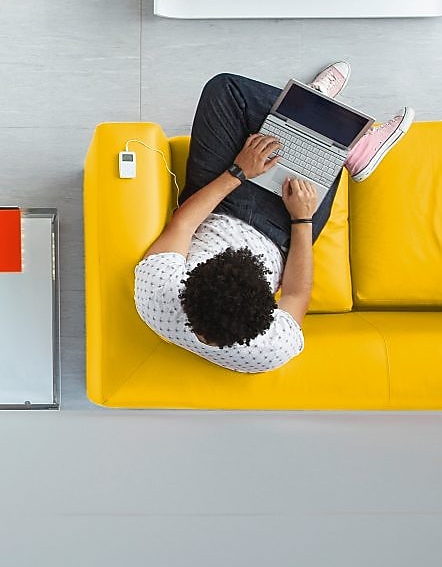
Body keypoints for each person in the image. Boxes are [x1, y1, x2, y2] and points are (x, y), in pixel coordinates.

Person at [133, 65, 414, 373]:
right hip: (282, 230)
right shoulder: (270, 349)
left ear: (187, 287)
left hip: (216, 207)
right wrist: (303, 219)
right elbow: (295, 293)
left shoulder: (157, 296)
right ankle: (346, 142)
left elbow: (184, 225)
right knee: (314, 158)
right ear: (266, 314)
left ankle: (310, 109)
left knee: (226, 90)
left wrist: (239, 171)